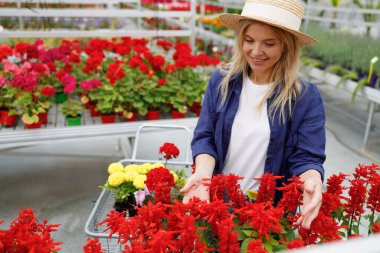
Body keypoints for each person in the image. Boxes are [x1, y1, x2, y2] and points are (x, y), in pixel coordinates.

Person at [180, 0, 325, 230]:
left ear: (286, 46)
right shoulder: (223, 81)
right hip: (217, 204)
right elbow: (205, 137)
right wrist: (203, 176)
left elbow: (307, 157)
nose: (256, 52)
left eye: (269, 44)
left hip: (267, 214)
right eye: (249, 41)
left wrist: (313, 181)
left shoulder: (303, 96)